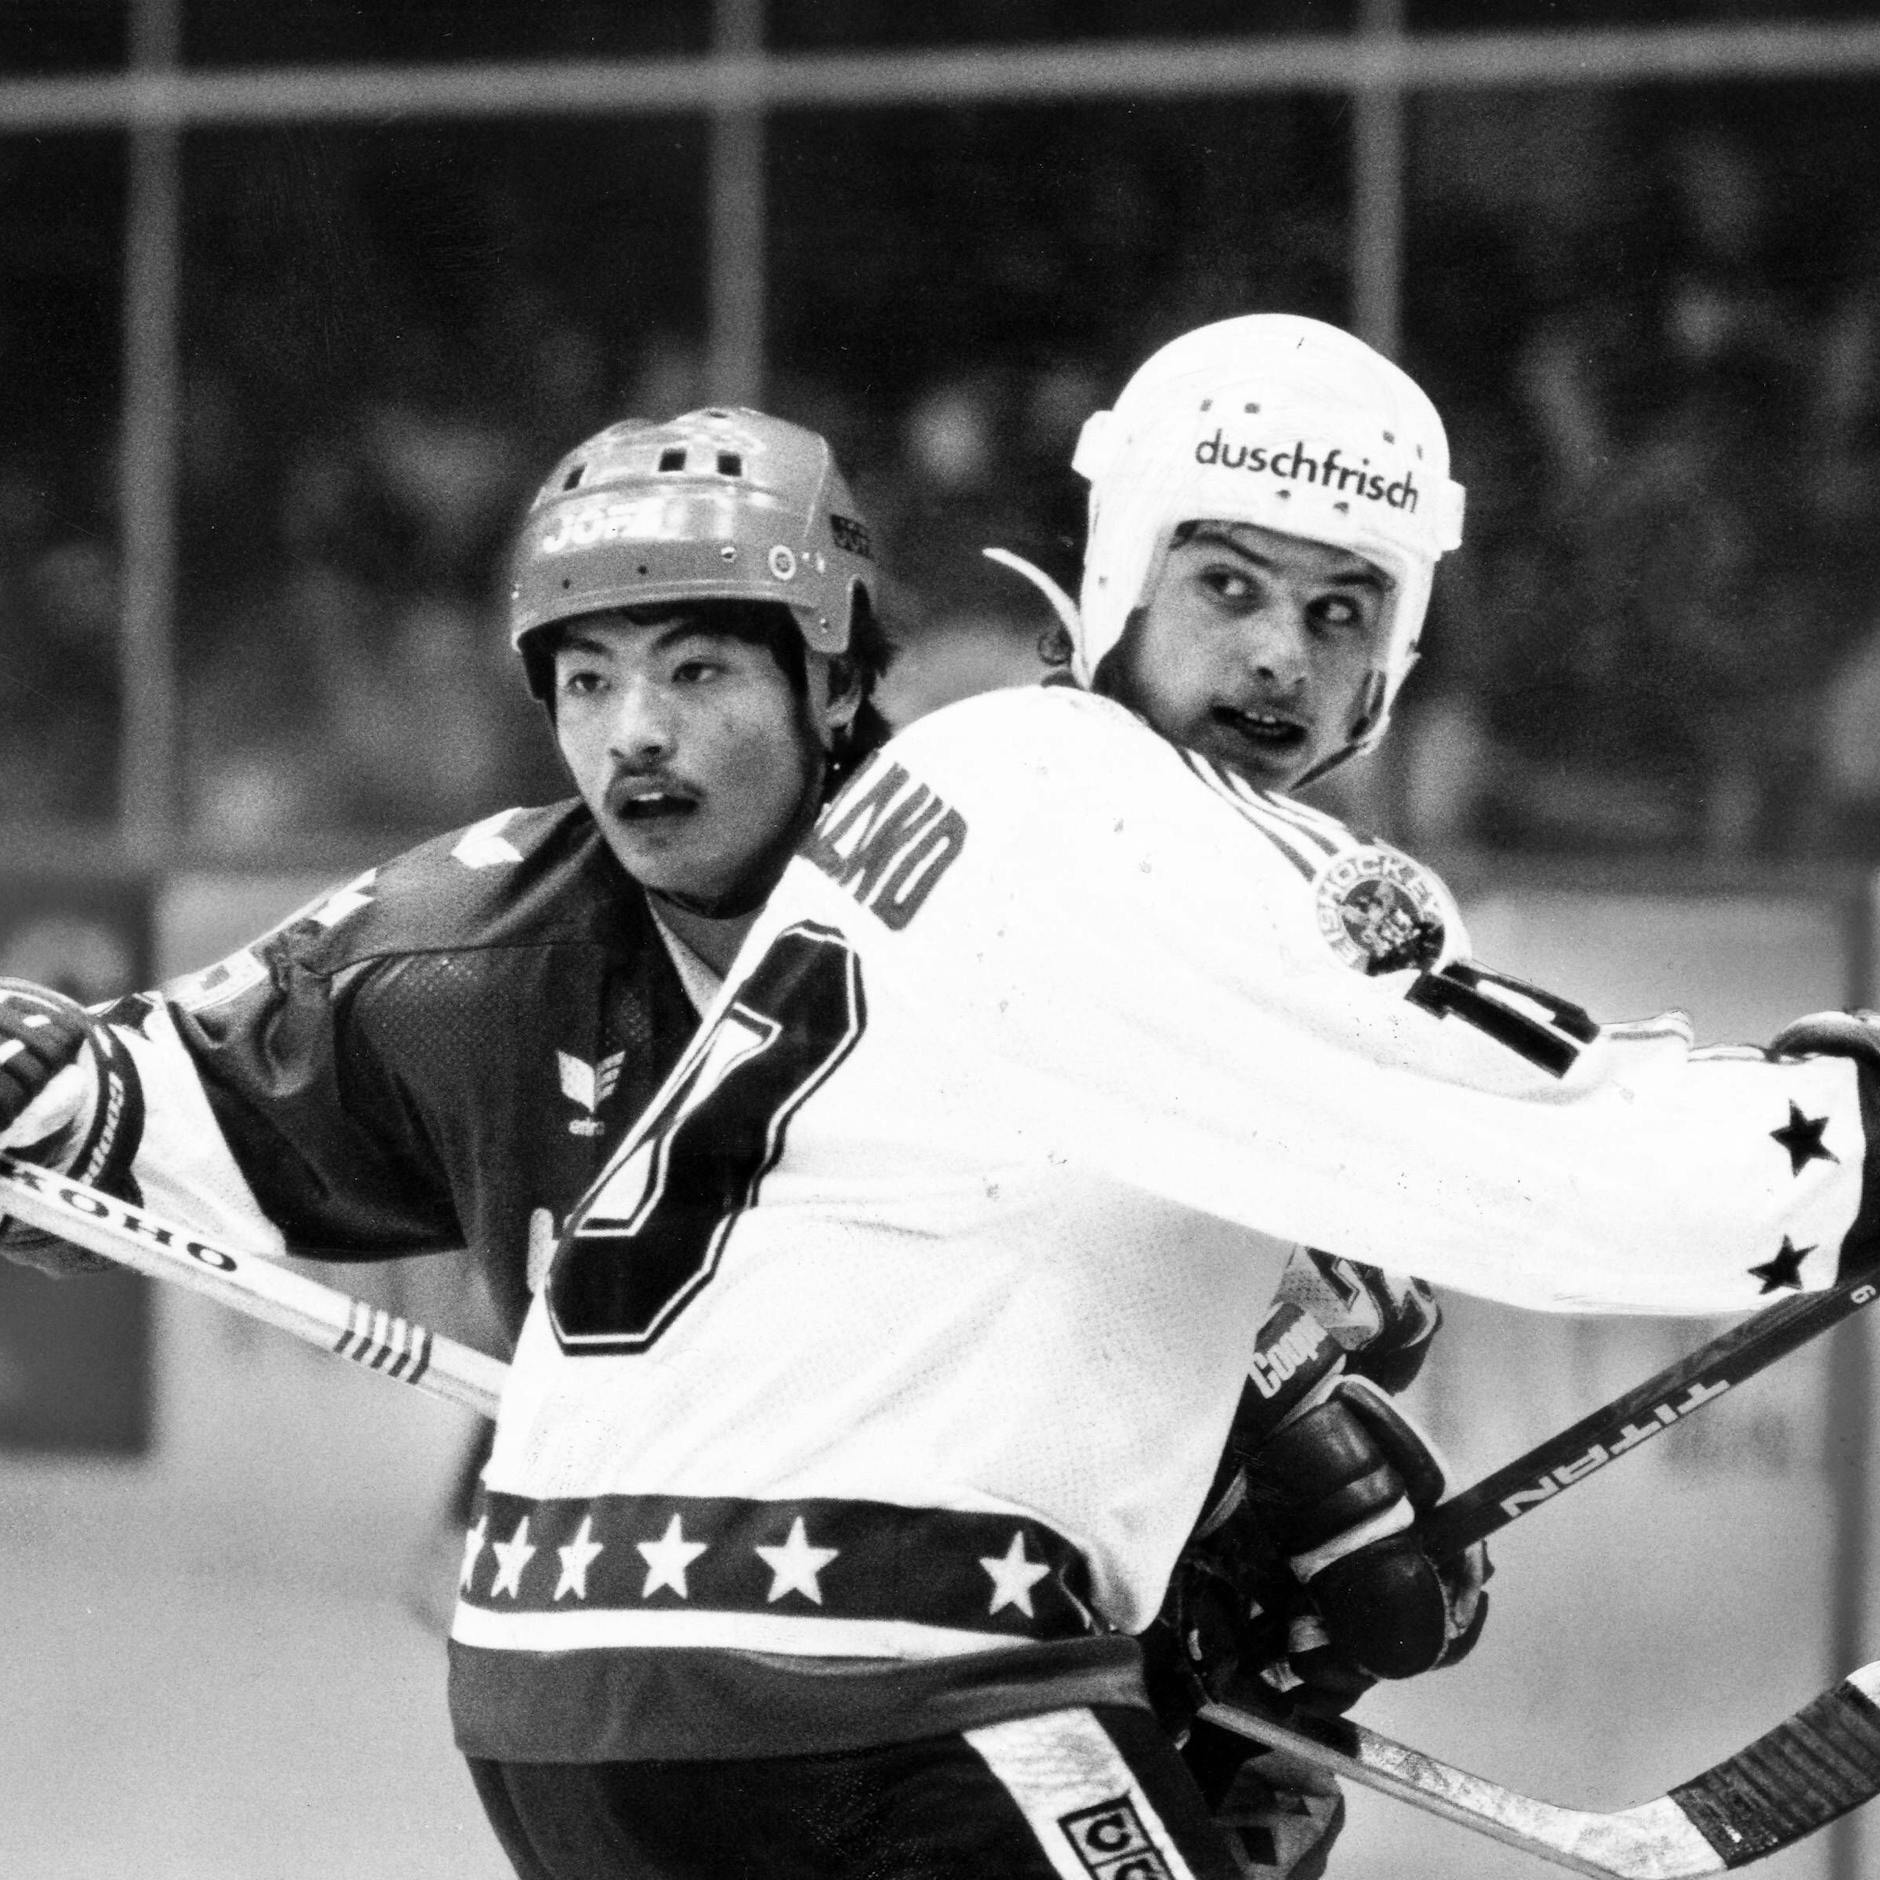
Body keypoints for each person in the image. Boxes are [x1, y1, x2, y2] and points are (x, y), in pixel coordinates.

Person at [433, 313, 1880, 1880]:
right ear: (1122, 577)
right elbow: (1567, 1159)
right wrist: (1844, 1144)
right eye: (1228, 586)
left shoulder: (971, 774)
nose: (1279, 655)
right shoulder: (1154, 831)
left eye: (1341, 610)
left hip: (563, 1695)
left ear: (1393, 660)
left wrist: (1216, 1483)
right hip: (861, 1679)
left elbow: (980, 1209)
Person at [0, 393, 1455, 1880]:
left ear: (834, 685)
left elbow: (1313, 1268)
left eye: (697, 670)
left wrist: (1288, 1399)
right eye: (586, 680)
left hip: (923, 1658)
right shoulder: (468, 949)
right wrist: (34, 1087)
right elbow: (130, 1104)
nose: (636, 732)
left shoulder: (1027, 876)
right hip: (775, 1681)